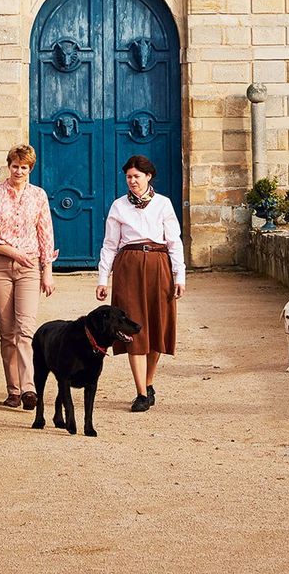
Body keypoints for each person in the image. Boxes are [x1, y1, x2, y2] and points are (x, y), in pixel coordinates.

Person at [96, 155, 185, 413]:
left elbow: (174, 242)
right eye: (128, 177)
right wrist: (104, 279)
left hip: (159, 266)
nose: (132, 181)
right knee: (131, 326)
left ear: (148, 177)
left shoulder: (164, 204)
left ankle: (149, 382)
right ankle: (141, 393)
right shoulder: (118, 206)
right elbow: (110, 245)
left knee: (156, 326)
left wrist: (179, 276)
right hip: (129, 268)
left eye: (137, 176)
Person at [0, 144, 56, 409]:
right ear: (8, 166)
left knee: (25, 330)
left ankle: (28, 389)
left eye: (24, 167)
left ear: (30, 168)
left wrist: (47, 271)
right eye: (15, 166)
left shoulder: (39, 196)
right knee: (7, 331)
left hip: (29, 268)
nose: (19, 171)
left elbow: (46, 233)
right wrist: (12, 252)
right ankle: (12, 390)